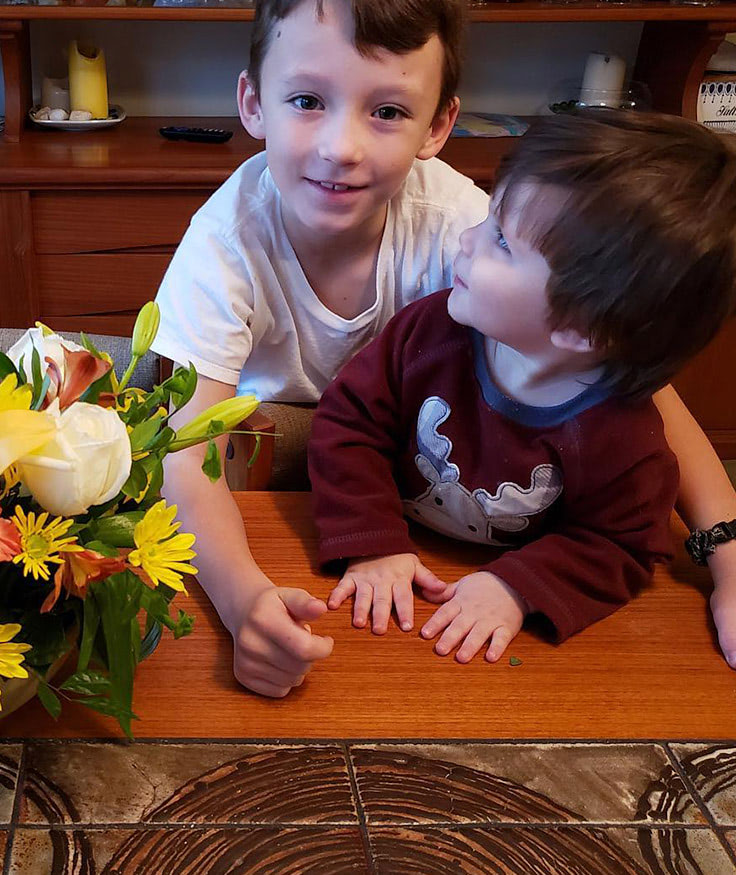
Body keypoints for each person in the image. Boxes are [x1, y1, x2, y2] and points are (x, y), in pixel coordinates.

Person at [152, 0, 736, 697]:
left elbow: (630, 386)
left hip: (414, 475)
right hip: (262, 460)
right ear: (252, 103)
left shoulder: (463, 225)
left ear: (438, 126)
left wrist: (728, 553)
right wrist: (245, 600)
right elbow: (186, 455)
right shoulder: (225, 242)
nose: (342, 146)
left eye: (388, 112)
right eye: (307, 100)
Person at [308, 111, 736, 663]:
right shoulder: (431, 330)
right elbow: (348, 422)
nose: (465, 240)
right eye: (489, 218)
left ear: (580, 328)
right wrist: (372, 541)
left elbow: (621, 545)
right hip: (389, 561)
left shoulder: (625, 442)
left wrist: (517, 587)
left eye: (502, 243)